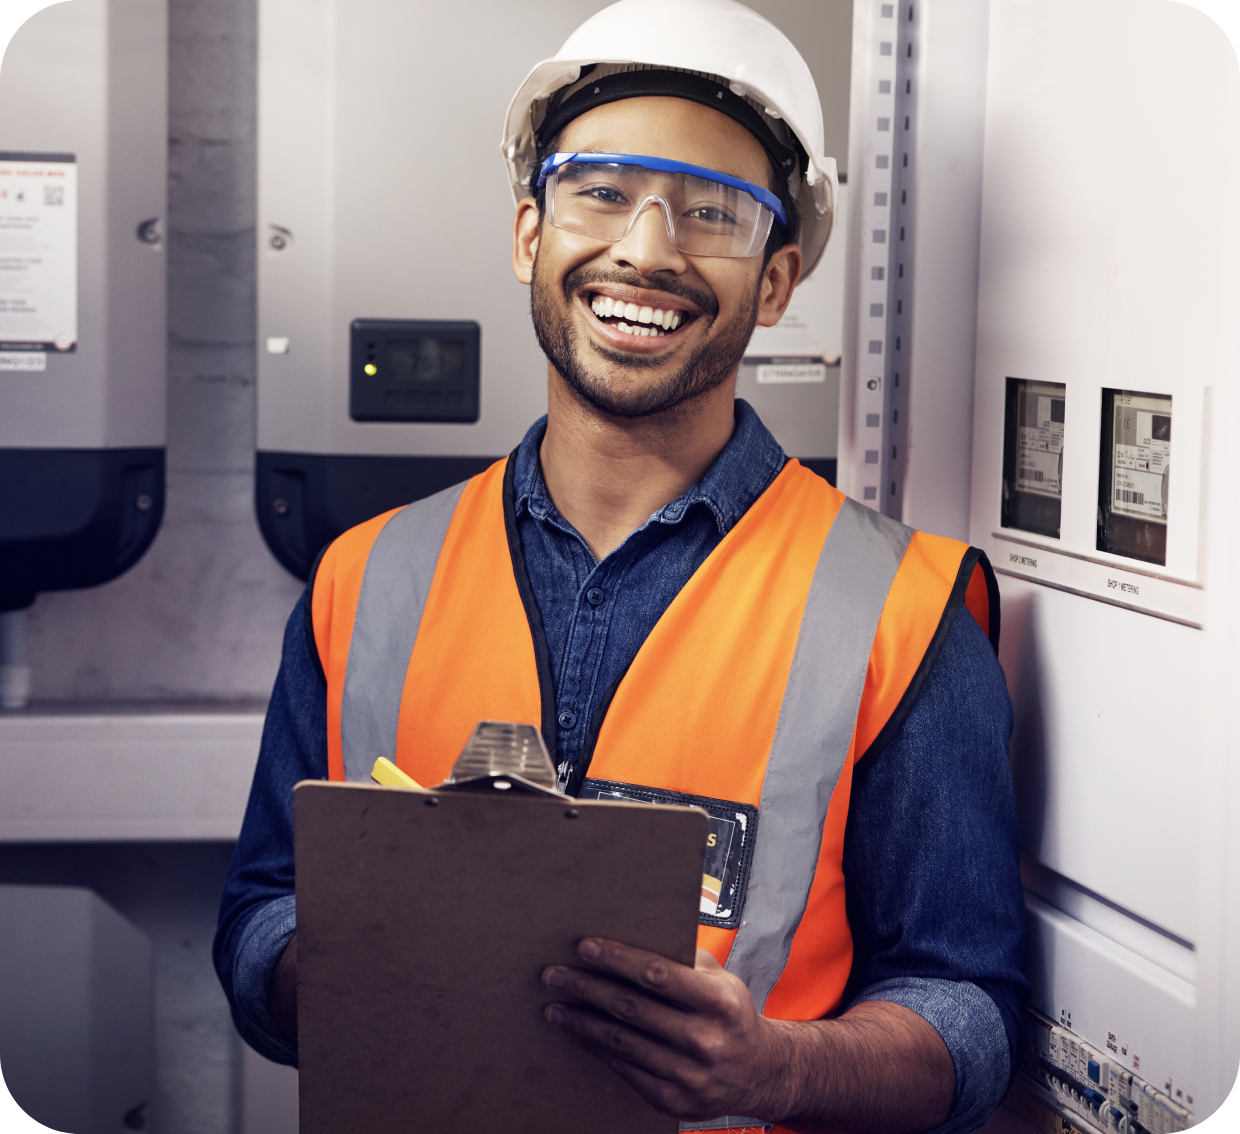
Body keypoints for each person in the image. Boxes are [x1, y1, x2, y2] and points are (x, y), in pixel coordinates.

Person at [214, 2, 1026, 1131]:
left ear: (778, 281)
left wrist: (773, 1071)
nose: (645, 249)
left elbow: (969, 1010)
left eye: (712, 213)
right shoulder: (363, 577)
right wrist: (360, 975)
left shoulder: (903, 611)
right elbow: (261, 911)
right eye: (599, 191)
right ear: (526, 235)